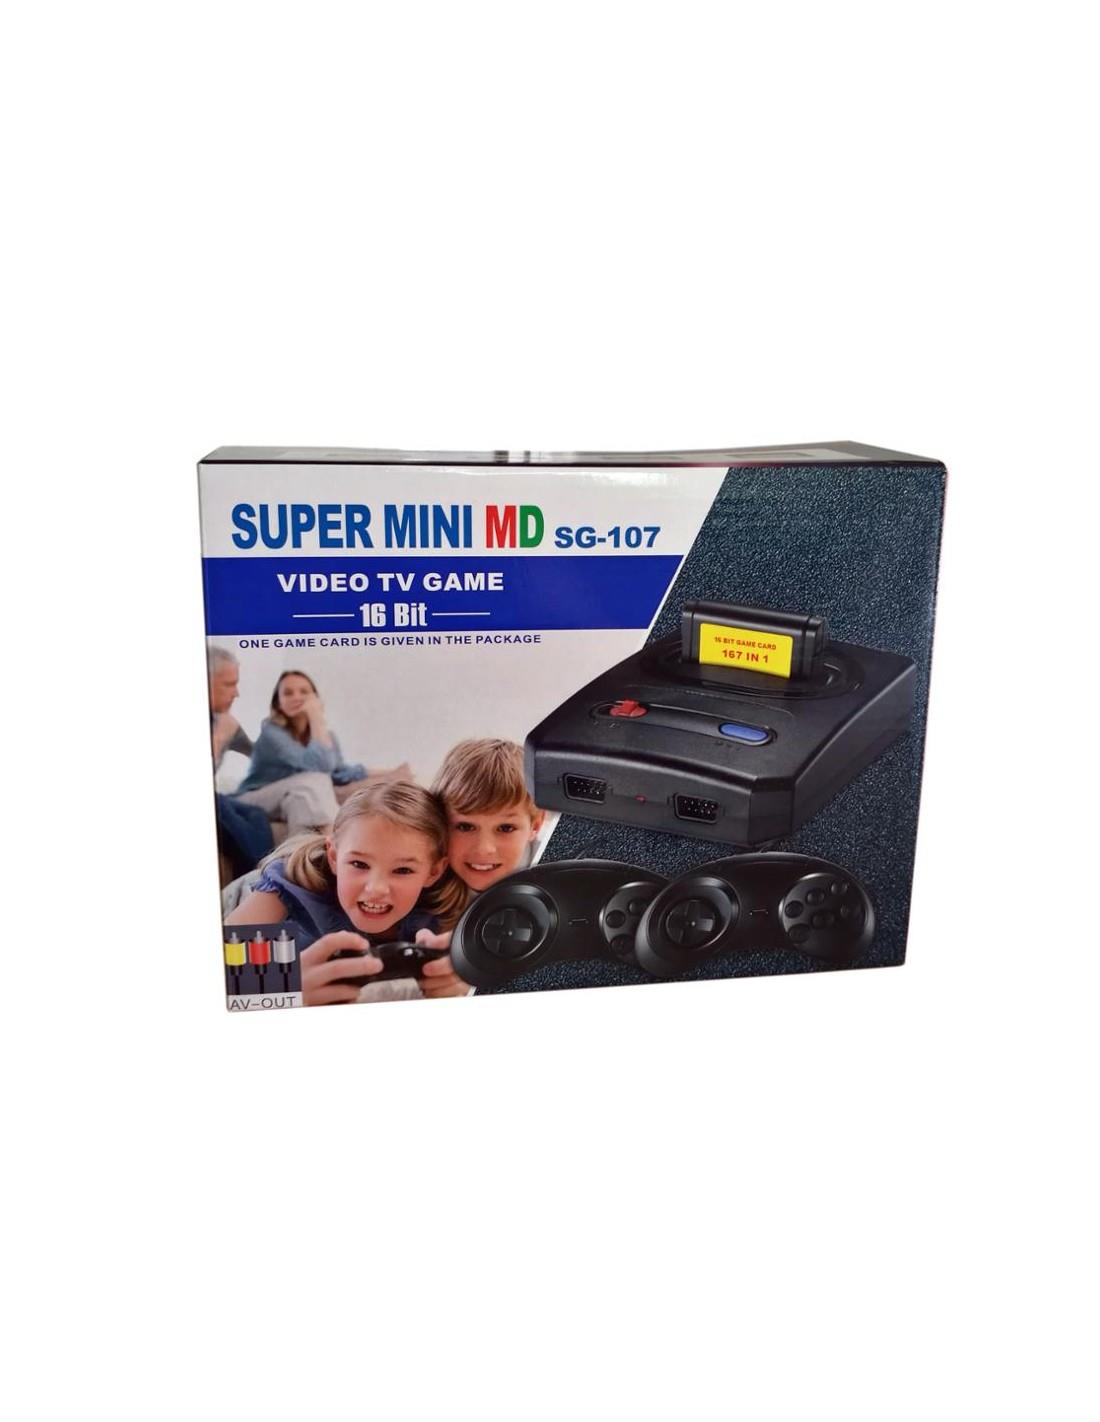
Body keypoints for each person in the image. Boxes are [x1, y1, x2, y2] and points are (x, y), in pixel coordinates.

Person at [224, 781, 470, 1004]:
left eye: (403, 870)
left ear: (434, 872)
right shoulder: (289, 882)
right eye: (359, 864)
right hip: (246, 893)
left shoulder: (441, 908)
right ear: (333, 856)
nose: (376, 889)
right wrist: (287, 988)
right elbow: (226, 963)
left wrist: (454, 978)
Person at [431, 738, 547, 921]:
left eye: (506, 828)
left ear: (535, 825)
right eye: (465, 827)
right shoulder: (423, 875)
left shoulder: (554, 873)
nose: (484, 849)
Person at [208, 645, 273, 875]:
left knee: (255, 814)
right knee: (222, 808)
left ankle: (264, 870)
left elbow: (257, 756)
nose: (236, 693)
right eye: (228, 684)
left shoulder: (225, 721)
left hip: (220, 796)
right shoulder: (222, 727)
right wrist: (219, 738)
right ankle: (262, 876)